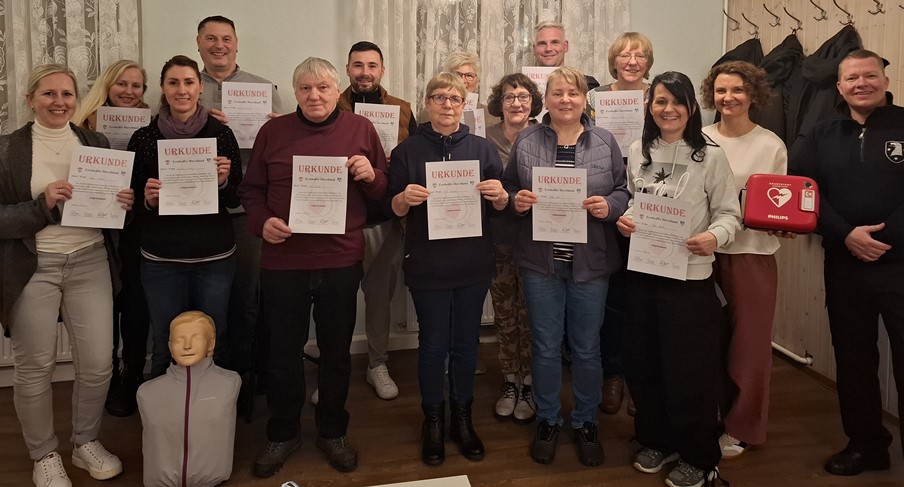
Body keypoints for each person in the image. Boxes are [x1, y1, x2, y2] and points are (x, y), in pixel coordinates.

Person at [239, 57, 387, 476]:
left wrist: (370, 174)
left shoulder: (361, 129)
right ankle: (283, 432)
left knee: (336, 353)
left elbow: (382, 190)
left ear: (337, 89)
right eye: (305, 88)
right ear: (295, 92)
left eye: (323, 87)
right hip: (284, 261)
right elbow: (250, 191)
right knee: (282, 353)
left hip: (340, 259)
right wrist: (261, 222)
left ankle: (333, 431)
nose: (314, 95)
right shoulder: (273, 132)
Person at [0, 64, 131, 487]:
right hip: (33, 266)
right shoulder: (7, 149)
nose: (59, 102)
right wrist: (42, 205)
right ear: (30, 100)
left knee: (97, 364)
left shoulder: (96, 142)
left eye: (67, 94)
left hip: (90, 260)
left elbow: (107, 208)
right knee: (35, 367)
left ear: (77, 99)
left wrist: (122, 201)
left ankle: (84, 442)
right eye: (49, 94)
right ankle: (43, 454)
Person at [617, 71, 740, 487]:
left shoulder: (711, 156)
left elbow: (730, 214)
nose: (668, 109)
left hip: (689, 279)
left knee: (690, 371)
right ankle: (657, 439)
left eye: (677, 101)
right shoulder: (638, 150)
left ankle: (699, 457)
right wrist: (627, 219)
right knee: (644, 363)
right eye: (660, 101)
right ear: (649, 106)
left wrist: (714, 237)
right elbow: (636, 201)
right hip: (644, 273)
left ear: (691, 107)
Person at [503, 66, 629, 467]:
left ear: (585, 99)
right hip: (541, 263)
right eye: (557, 93)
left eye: (573, 93)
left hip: (590, 264)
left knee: (587, 348)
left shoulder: (605, 140)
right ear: (547, 99)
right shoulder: (527, 140)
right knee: (544, 346)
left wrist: (610, 206)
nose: (565, 100)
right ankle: (548, 420)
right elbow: (509, 187)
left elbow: (623, 191)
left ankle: (586, 422)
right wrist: (517, 200)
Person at [790, 49, 904, 477]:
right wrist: (845, 234)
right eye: (852, 78)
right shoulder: (821, 132)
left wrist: (882, 239)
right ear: (839, 87)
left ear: (885, 81)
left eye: (869, 75)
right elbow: (803, 190)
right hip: (845, 263)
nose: (861, 84)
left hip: (900, 264)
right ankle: (866, 445)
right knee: (854, 360)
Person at [387, 72, 504, 466]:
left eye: (455, 98)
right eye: (439, 97)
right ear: (427, 103)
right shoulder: (406, 151)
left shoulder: (483, 149)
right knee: (434, 346)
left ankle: (463, 418)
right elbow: (392, 209)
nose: (447, 104)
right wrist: (403, 198)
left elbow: (500, 208)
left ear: (464, 104)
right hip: (428, 265)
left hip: (473, 264)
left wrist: (500, 196)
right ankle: (433, 421)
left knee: (466, 344)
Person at [128, 55, 242, 378]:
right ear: (163, 89)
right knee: (165, 345)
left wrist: (223, 183)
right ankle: (164, 410)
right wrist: (148, 200)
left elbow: (236, 197)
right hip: (161, 260)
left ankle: (216, 408)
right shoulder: (144, 138)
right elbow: (131, 202)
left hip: (215, 258)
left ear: (200, 87)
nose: (182, 90)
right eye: (173, 83)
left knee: (215, 342)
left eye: (189, 82)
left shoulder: (222, 135)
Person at [700, 60, 789, 460]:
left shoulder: (771, 145)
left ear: (753, 95)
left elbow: (778, 207)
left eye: (737, 90)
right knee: (705, 343)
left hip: (751, 255)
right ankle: (707, 416)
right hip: (704, 254)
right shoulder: (700, 138)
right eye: (721, 90)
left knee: (748, 348)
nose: (728, 97)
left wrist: (783, 224)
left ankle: (742, 427)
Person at [195, 15, 282, 380]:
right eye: (211, 38)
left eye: (226, 38)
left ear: (236, 43)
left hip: (248, 209)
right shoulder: (186, 87)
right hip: (199, 211)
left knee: (247, 295)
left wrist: (277, 129)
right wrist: (199, 122)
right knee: (205, 296)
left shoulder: (263, 88)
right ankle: (206, 371)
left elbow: (281, 153)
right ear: (199, 43)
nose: (219, 45)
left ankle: (243, 375)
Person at [337, 40, 417, 400]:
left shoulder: (402, 109)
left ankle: (377, 364)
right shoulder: (330, 107)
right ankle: (334, 369)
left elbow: (414, 158)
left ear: (382, 70)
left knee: (380, 299)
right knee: (336, 299)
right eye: (358, 65)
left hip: (385, 219)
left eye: (372, 65)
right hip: (339, 221)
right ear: (348, 69)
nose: (365, 72)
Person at [73, 59, 151, 418]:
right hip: (94, 230)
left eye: (136, 86)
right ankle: (107, 378)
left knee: (135, 304)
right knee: (105, 306)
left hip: (135, 228)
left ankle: (132, 374)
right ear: (107, 86)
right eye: (122, 84)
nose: (129, 91)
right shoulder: (80, 129)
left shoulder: (150, 127)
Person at [589, 31, 655, 417]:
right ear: (614, 61)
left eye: (640, 55)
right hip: (609, 204)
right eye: (625, 55)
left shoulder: (659, 96)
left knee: (644, 296)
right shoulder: (595, 98)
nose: (632, 61)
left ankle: (640, 380)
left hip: (651, 205)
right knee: (613, 297)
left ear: (649, 61)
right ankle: (613, 374)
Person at [484, 73, 543, 424]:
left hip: (537, 239)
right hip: (498, 238)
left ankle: (530, 384)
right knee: (505, 313)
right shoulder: (484, 137)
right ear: (499, 102)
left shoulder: (545, 135)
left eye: (523, 96)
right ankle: (510, 381)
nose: (516, 103)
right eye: (509, 97)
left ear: (533, 102)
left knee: (532, 315)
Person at [137, 311, 241, 487]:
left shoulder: (229, 382)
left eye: (196, 338)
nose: (187, 346)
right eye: (179, 340)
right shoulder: (147, 392)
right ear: (170, 346)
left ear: (211, 344)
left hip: (213, 479)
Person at [532, 21, 600, 90]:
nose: (548, 49)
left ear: (565, 46)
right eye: (542, 44)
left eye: (555, 42)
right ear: (534, 49)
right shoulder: (525, 86)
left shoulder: (587, 84)